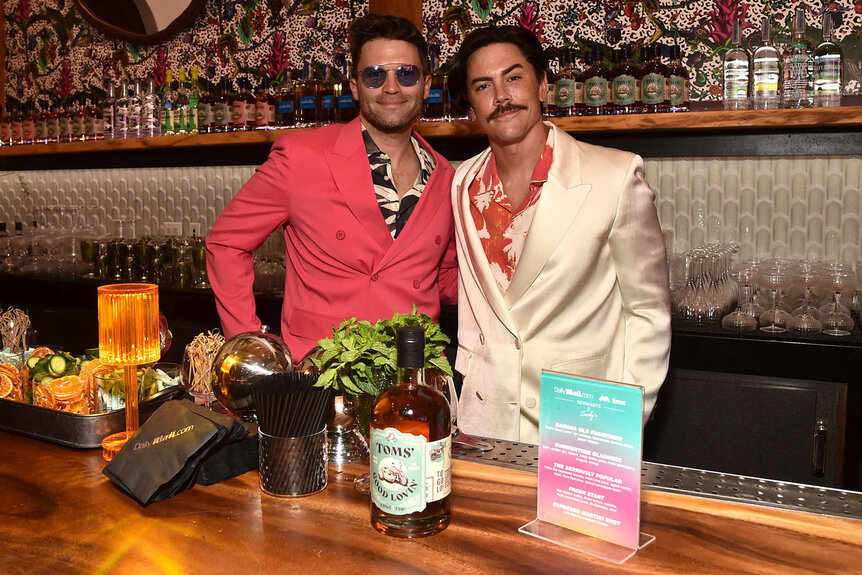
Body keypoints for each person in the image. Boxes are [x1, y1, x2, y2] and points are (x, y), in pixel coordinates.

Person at [447, 26, 671, 443]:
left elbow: (648, 312)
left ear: (543, 84)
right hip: (484, 419)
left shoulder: (615, 174)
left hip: (583, 422)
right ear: (471, 105)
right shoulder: (462, 183)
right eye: (483, 86)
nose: (501, 96)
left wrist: (624, 422)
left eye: (513, 77)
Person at [206, 14, 457, 360]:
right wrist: (249, 347)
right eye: (374, 75)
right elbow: (226, 242)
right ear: (354, 87)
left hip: (412, 377)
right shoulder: (301, 157)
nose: (392, 87)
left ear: (427, 84)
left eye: (407, 73)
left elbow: (444, 279)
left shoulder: (447, 177)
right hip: (320, 376)